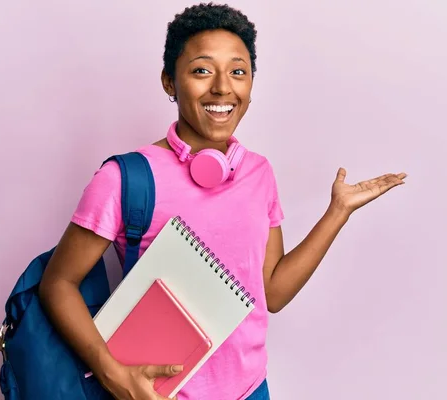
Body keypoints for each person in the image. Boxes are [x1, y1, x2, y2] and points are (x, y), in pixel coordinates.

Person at [38, 3, 407, 400]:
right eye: (201, 70)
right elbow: (58, 284)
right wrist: (113, 375)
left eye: (237, 71)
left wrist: (336, 214)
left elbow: (273, 293)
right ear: (169, 81)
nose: (222, 87)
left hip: (251, 391)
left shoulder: (259, 173)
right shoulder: (125, 178)